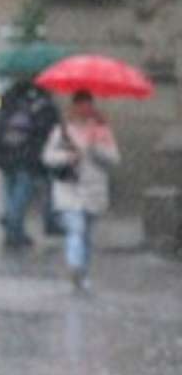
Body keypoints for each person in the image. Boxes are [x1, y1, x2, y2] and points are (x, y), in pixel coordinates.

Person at [41, 90, 121, 293]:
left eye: (88, 105)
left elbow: (114, 159)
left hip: (94, 189)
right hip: (69, 188)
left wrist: (95, 149)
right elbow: (48, 157)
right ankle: (74, 266)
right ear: (74, 107)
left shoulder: (102, 130)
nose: (84, 110)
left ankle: (83, 272)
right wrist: (68, 157)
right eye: (80, 105)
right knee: (75, 229)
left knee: (86, 234)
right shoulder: (62, 130)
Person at [0, 79, 59, 249]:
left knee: (11, 193)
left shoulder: (9, 101)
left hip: (6, 154)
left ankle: (14, 229)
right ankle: (12, 225)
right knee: (21, 194)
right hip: (27, 157)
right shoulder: (42, 105)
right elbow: (47, 131)